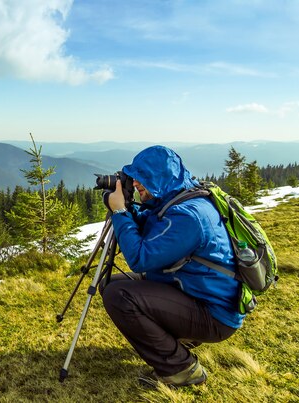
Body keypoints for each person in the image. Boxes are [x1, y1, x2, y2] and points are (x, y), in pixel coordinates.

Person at [102, 145, 243, 388]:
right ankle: (176, 340)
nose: (136, 183)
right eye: (135, 177)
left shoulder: (188, 216)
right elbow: (151, 226)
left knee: (119, 295)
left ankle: (181, 370)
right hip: (194, 293)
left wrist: (120, 211)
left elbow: (140, 258)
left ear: (160, 178)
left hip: (214, 314)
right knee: (112, 284)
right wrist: (127, 208)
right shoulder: (176, 199)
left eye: (142, 178)